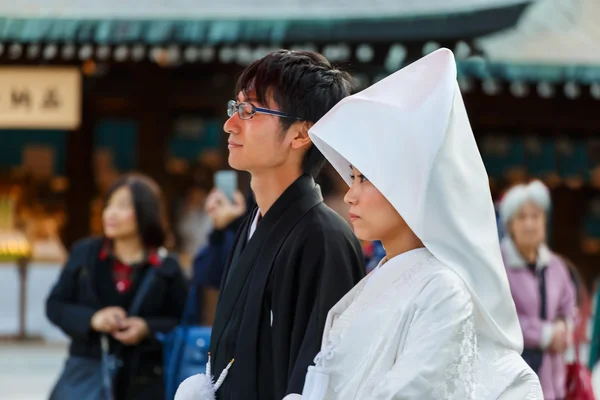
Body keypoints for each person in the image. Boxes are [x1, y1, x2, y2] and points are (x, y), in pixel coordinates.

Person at [299, 48, 542, 399]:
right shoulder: (380, 278)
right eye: (352, 177)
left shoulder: (442, 291)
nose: (350, 196)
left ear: (409, 188)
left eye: (364, 178)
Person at [208, 50, 365, 400]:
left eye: (250, 111)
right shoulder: (255, 220)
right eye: (236, 108)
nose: (230, 124)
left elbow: (320, 377)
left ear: (300, 134)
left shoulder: (324, 239)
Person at [47, 174, 188, 400]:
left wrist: (146, 328)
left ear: (144, 212)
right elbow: (55, 306)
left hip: (145, 381)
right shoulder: (85, 253)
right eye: (108, 205)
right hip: (87, 375)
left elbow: (183, 320)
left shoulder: (166, 267)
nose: (110, 213)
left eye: (122, 206)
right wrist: (93, 320)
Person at [499, 180, 577, 399]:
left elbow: (569, 307)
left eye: (536, 216)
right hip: (515, 380)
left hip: (554, 379)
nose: (530, 224)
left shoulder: (556, 266)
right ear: (510, 225)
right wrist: (544, 334)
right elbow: (500, 317)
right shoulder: (499, 265)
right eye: (522, 217)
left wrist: (563, 327)